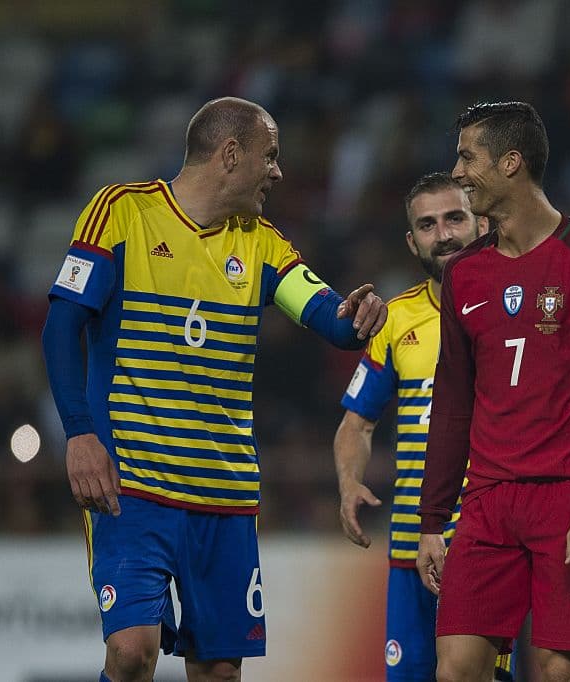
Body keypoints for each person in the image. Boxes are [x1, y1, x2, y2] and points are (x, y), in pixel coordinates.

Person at [40, 97, 387, 682]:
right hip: (133, 486)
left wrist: (358, 318)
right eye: (269, 156)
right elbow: (60, 328)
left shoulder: (262, 242)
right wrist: (79, 434)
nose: (278, 172)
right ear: (230, 154)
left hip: (224, 495)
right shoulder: (121, 212)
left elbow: (328, 317)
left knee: (220, 672)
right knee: (131, 653)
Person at [415, 101, 570, 682]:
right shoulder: (464, 274)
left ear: (510, 162)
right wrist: (432, 519)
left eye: (468, 157)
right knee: (456, 670)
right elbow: (453, 404)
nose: (457, 171)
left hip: (568, 501)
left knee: (559, 672)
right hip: (487, 502)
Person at [334, 172, 513, 682]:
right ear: (412, 242)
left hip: (487, 544)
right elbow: (356, 423)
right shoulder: (396, 320)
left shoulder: (515, 309)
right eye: (428, 225)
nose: (444, 234)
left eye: (455, 218)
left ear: (481, 223)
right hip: (412, 545)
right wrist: (348, 482)